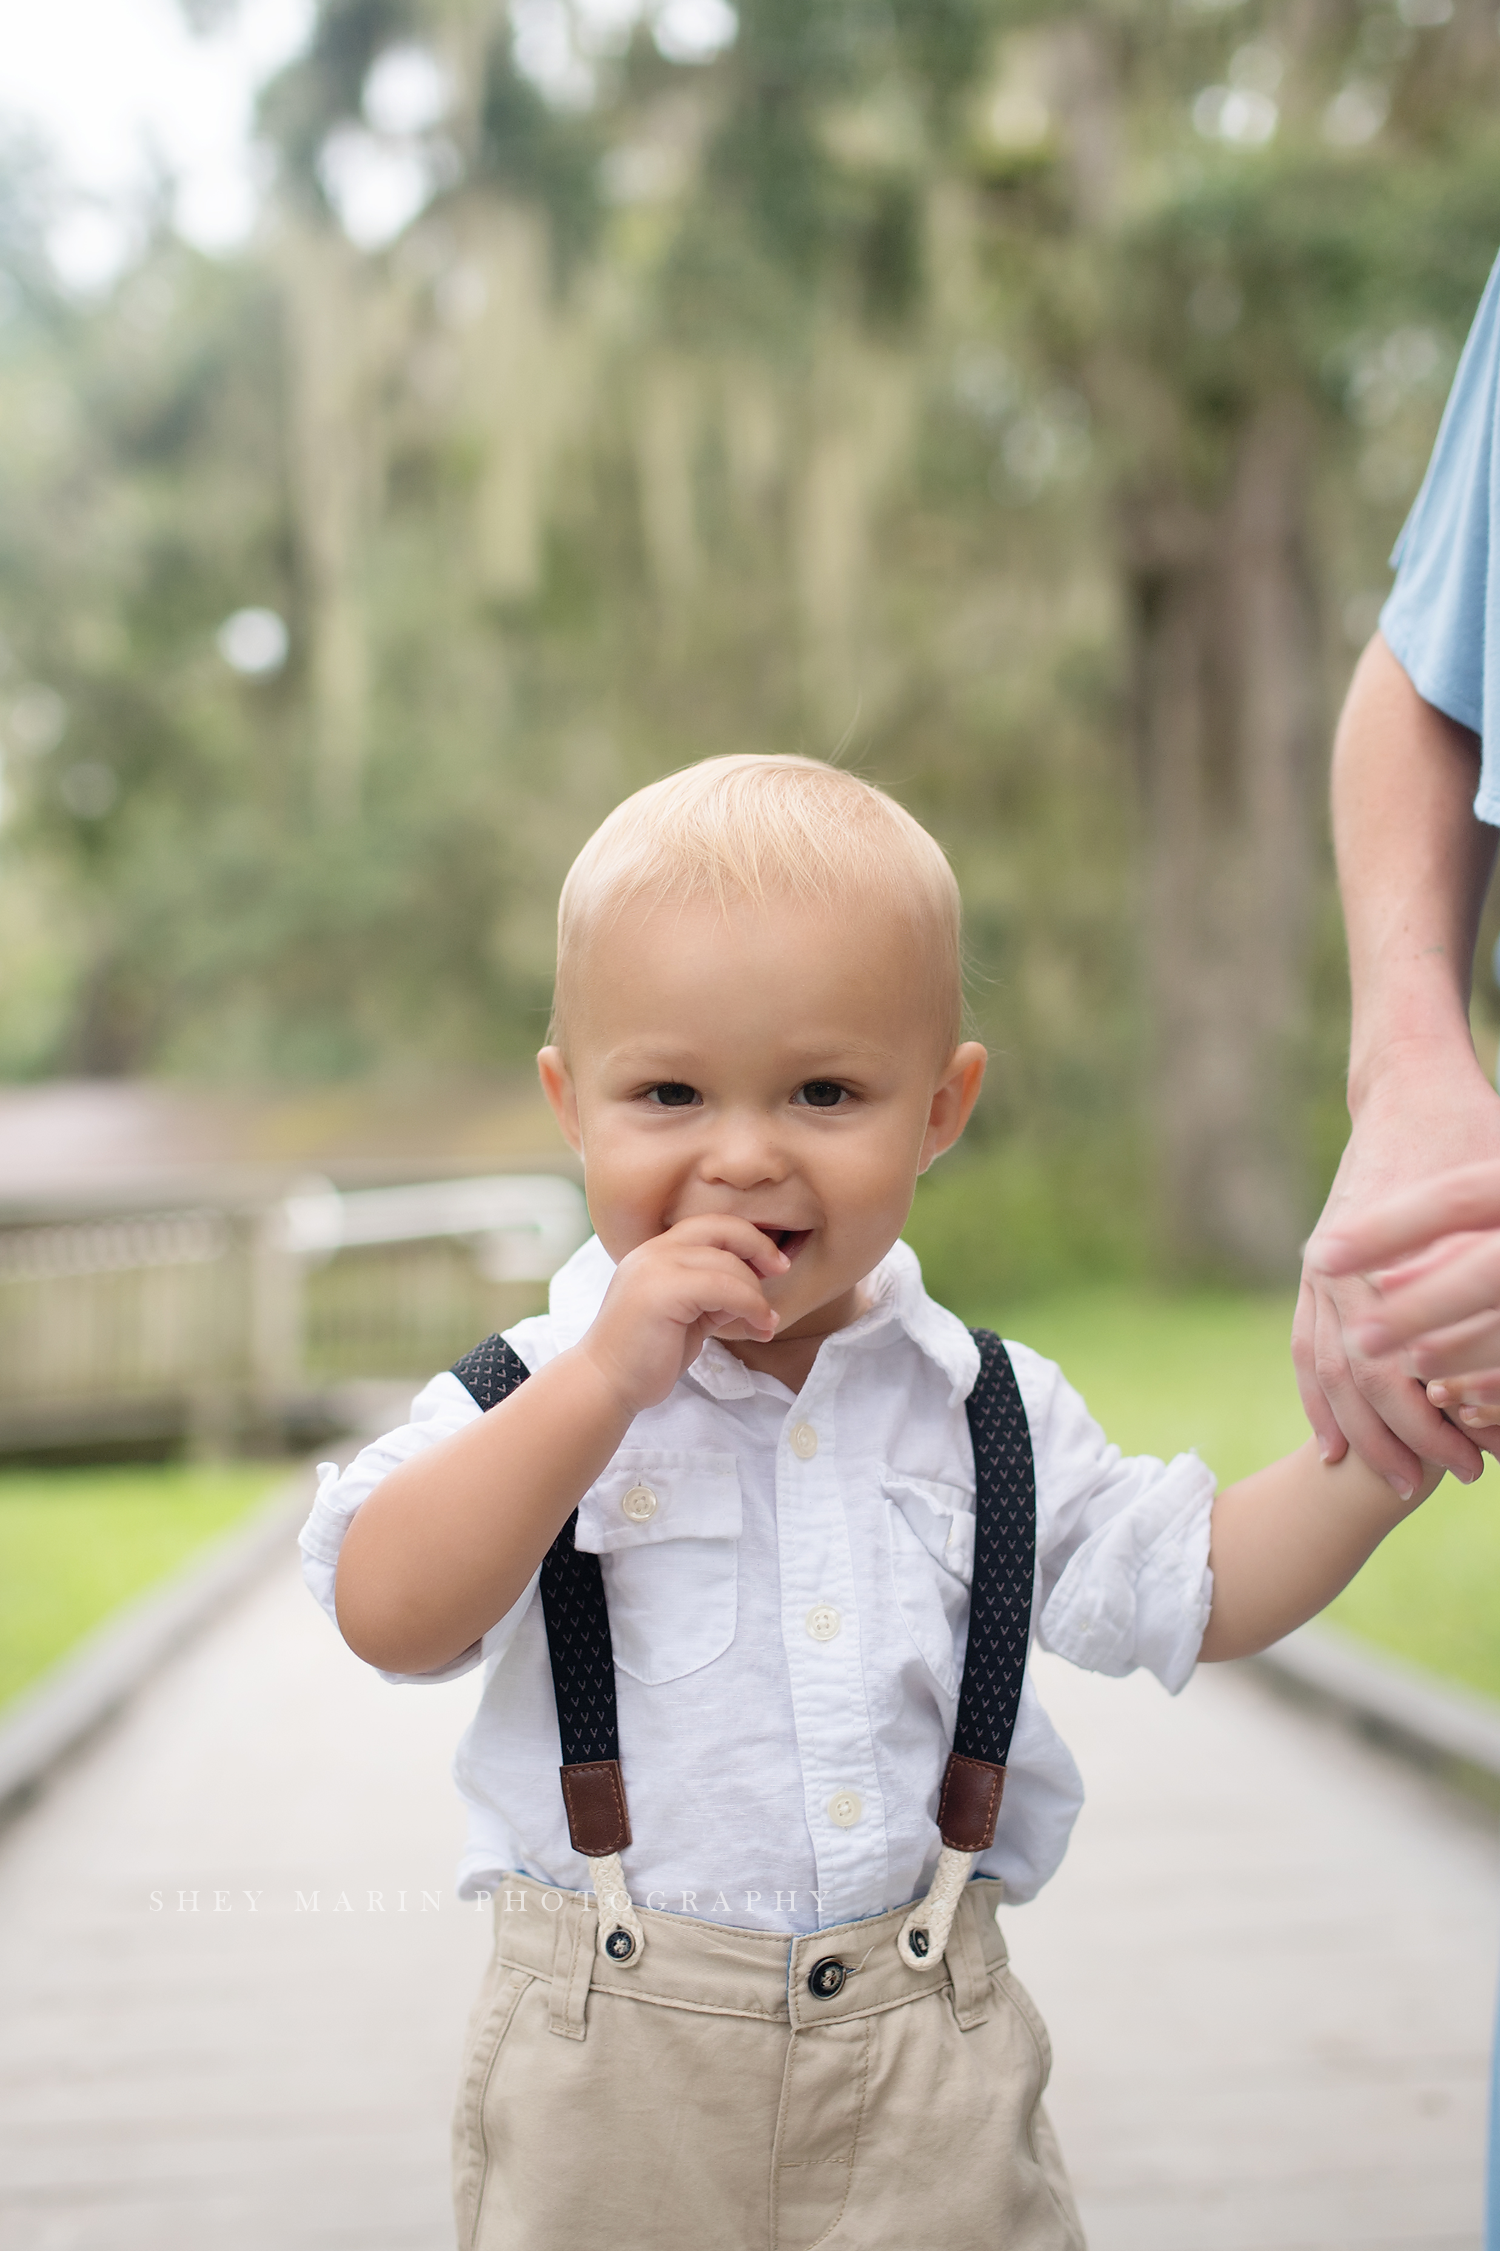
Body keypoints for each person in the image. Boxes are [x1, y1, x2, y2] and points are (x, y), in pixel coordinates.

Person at [303, 755, 1449, 2251]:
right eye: (668, 1092)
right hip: (614, 2071)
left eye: (825, 1091)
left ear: (939, 1108)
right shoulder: (532, 1389)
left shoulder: (985, 1410)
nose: (744, 1151)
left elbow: (1199, 1581)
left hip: (928, 2057)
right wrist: (600, 1388)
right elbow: (387, 1611)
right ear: (569, 1104)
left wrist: (1382, 1453)